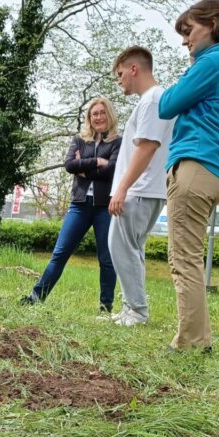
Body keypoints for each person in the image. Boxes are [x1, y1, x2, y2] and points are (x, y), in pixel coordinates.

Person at [158, 0, 219, 351]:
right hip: (211, 169)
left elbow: (167, 105)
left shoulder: (213, 62)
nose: (184, 40)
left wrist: (193, 64)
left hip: (194, 165)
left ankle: (191, 343)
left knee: (184, 260)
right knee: (189, 257)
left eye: (189, 31)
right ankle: (198, 338)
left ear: (212, 24)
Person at [20, 98, 121, 314]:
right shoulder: (79, 140)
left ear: (109, 115)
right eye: (94, 114)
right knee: (60, 253)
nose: (99, 117)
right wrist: (96, 162)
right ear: (89, 118)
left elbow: (112, 170)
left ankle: (106, 307)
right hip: (80, 204)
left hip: (105, 207)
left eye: (102, 113)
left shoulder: (118, 142)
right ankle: (36, 297)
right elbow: (69, 165)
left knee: (106, 258)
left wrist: (83, 168)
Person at [107, 46, 174, 326]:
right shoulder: (157, 99)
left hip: (141, 189)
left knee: (121, 246)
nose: (119, 80)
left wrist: (122, 188)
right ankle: (130, 308)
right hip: (146, 189)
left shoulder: (152, 100)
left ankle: (137, 311)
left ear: (134, 69)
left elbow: (147, 147)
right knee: (131, 249)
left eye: (121, 74)